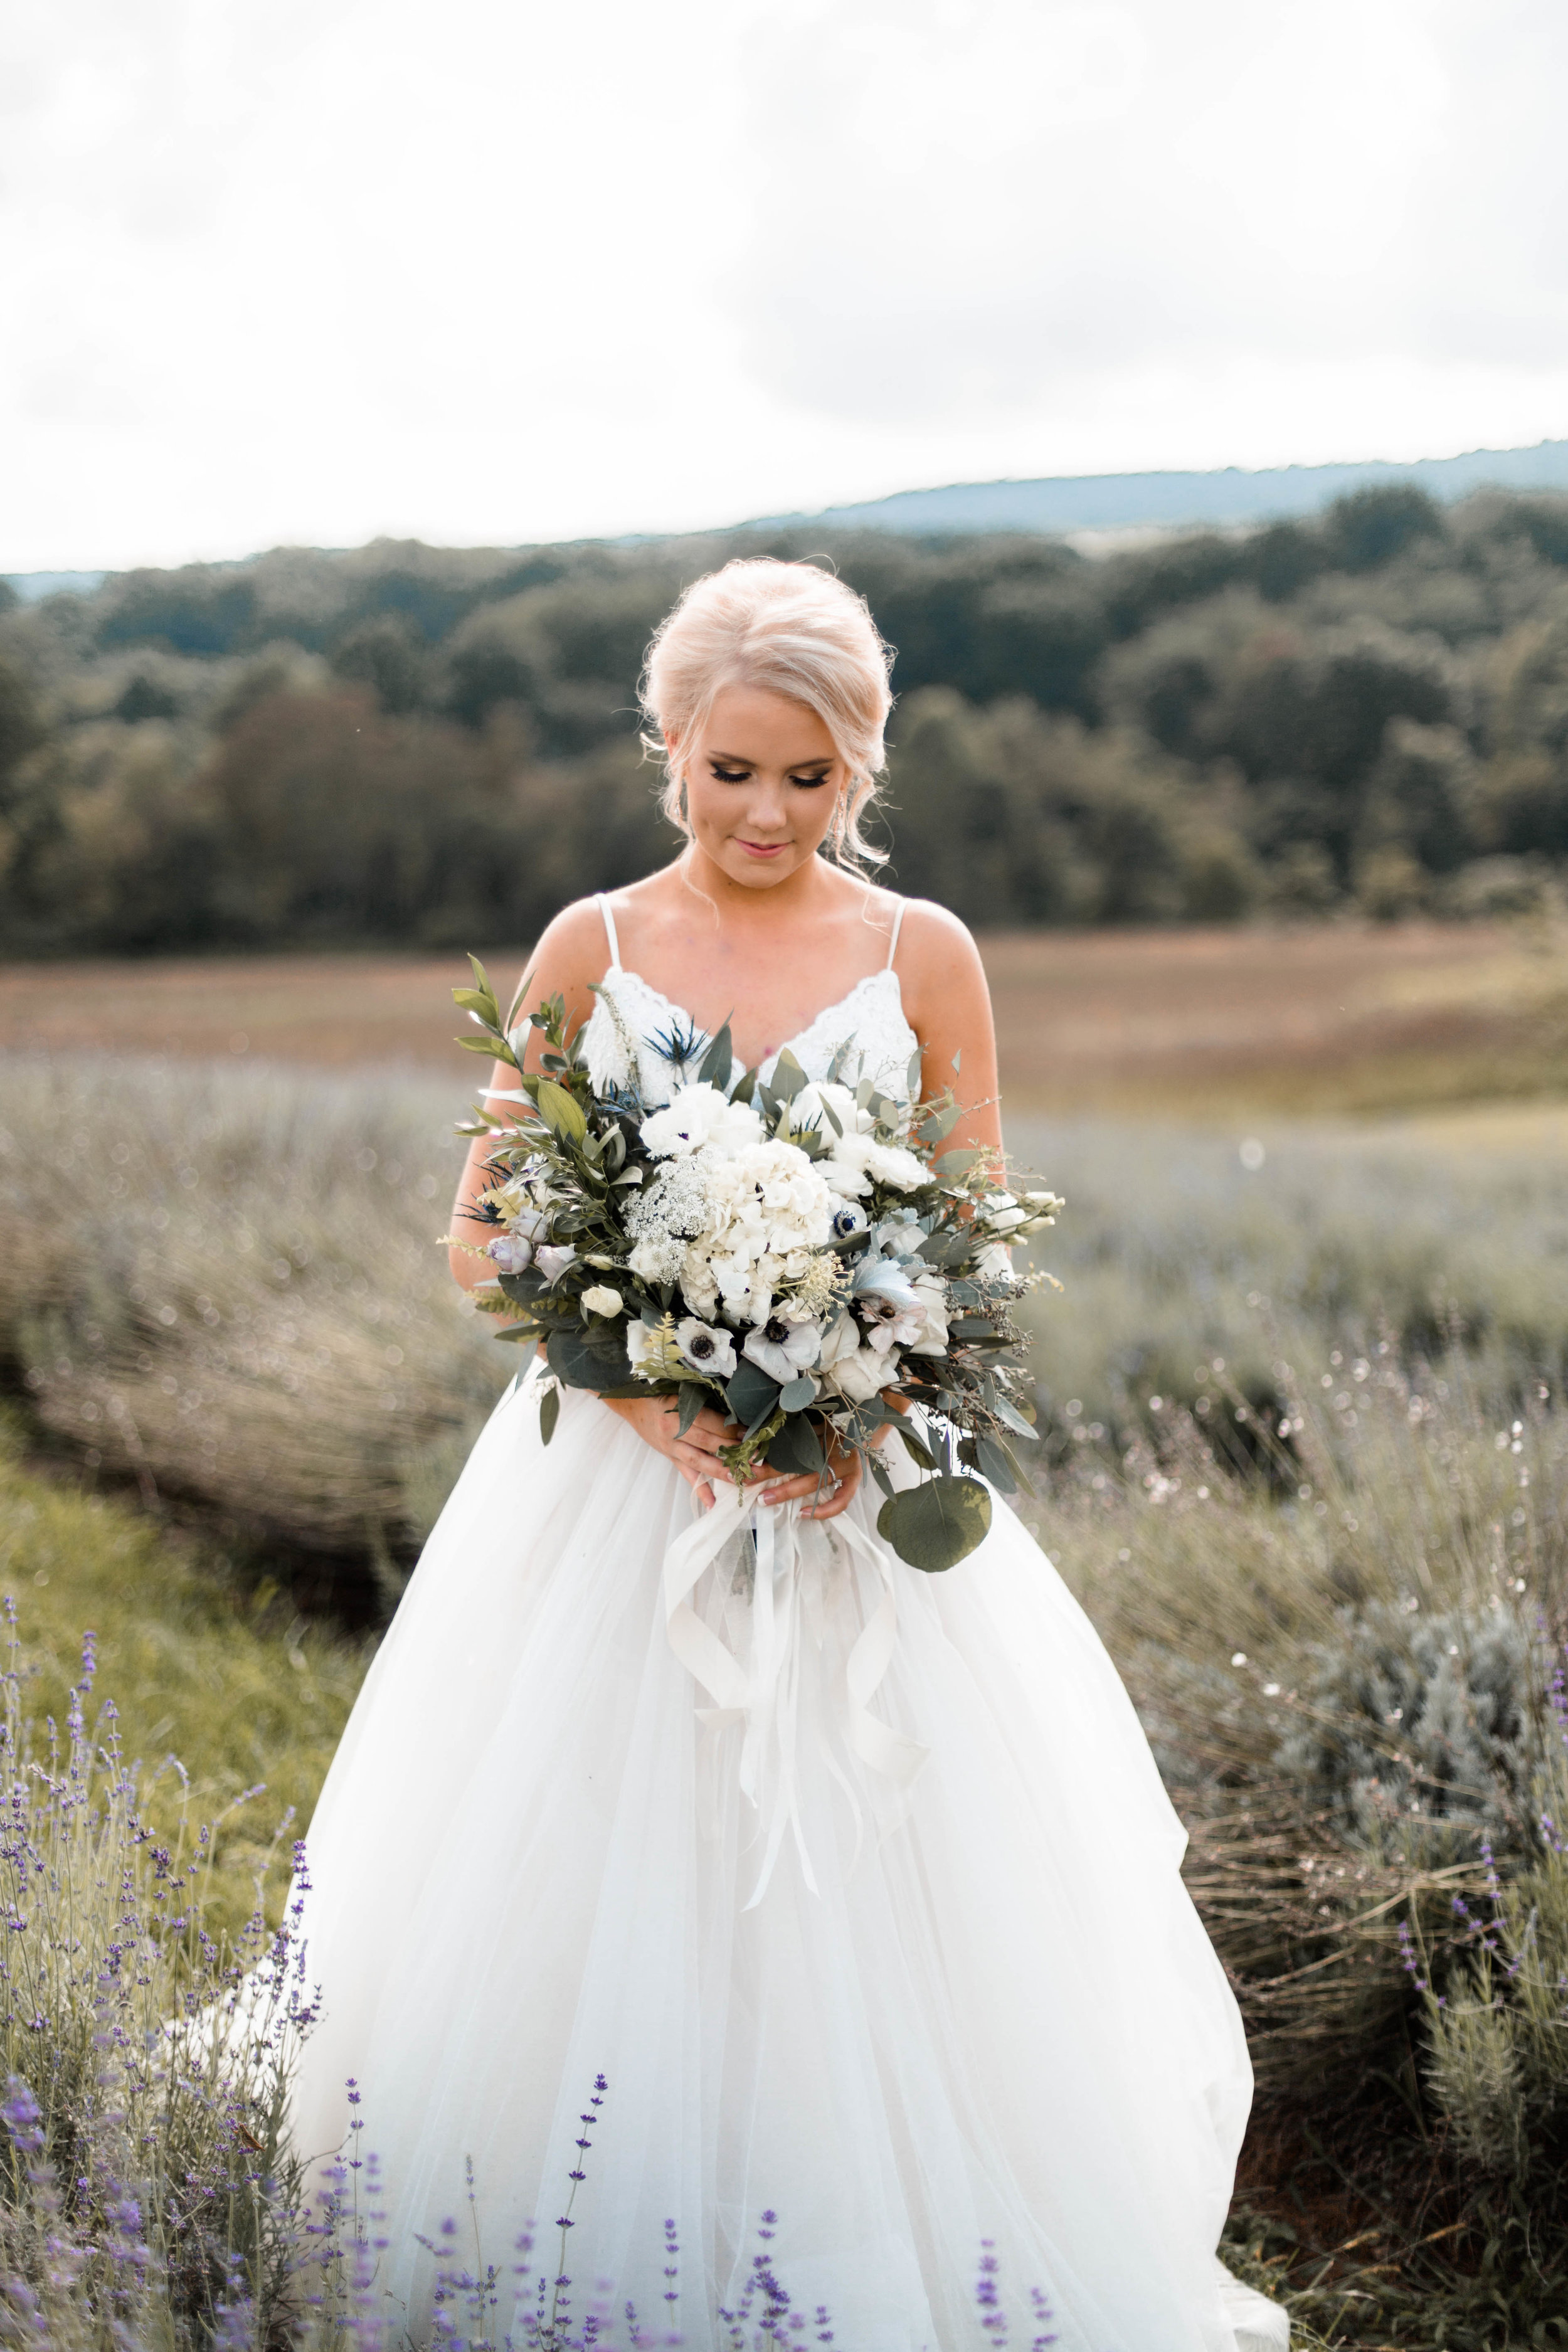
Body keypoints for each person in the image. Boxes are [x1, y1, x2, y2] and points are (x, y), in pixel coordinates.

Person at [285, 559, 1288, 2351]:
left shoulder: (926, 958)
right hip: (613, 1487)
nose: (763, 811)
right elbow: (483, 1242)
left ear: (861, 771)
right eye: (729, 768)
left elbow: (973, 1233)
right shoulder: (589, 946)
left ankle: (891, 2226)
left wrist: (848, 1402)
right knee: (595, 1842)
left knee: (869, 1854)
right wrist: (673, 1411)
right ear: (665, 744)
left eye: (806, 779)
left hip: (851, 1488)